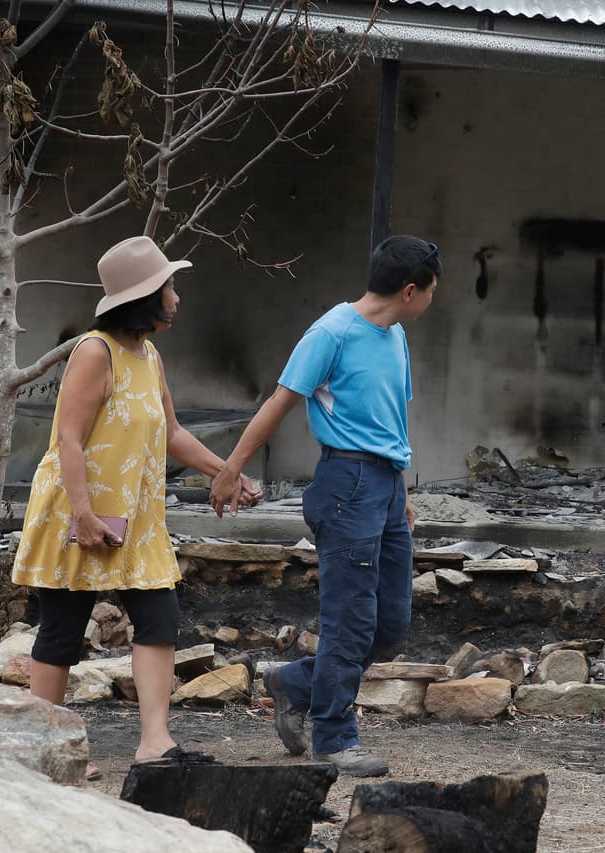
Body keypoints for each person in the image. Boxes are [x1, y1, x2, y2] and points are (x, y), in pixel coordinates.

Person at [12, 236, 260, 768]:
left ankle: (155, 743)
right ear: (145, 297)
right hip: (77, 509)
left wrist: (226, 472)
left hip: (137, 517)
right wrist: (82, 514)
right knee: (62, 629)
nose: (177, 298)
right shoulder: (94, 351)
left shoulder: (149, 356)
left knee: (160, 617)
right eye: (170, 288)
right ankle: (43, 753)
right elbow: (68, 440)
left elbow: (173, 433)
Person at [208, 234, 440, 777]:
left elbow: (391, 417)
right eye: (432, 289)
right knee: (350, 620)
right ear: (410, 290)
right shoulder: (331, 332)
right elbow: (279, 401)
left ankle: (296, 682)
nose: (434, 297)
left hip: (386, 486)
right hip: (346, 484)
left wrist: (402, 491)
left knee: (390, 622)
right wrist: (231, 468)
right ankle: (335, 738)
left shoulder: (396, 335)